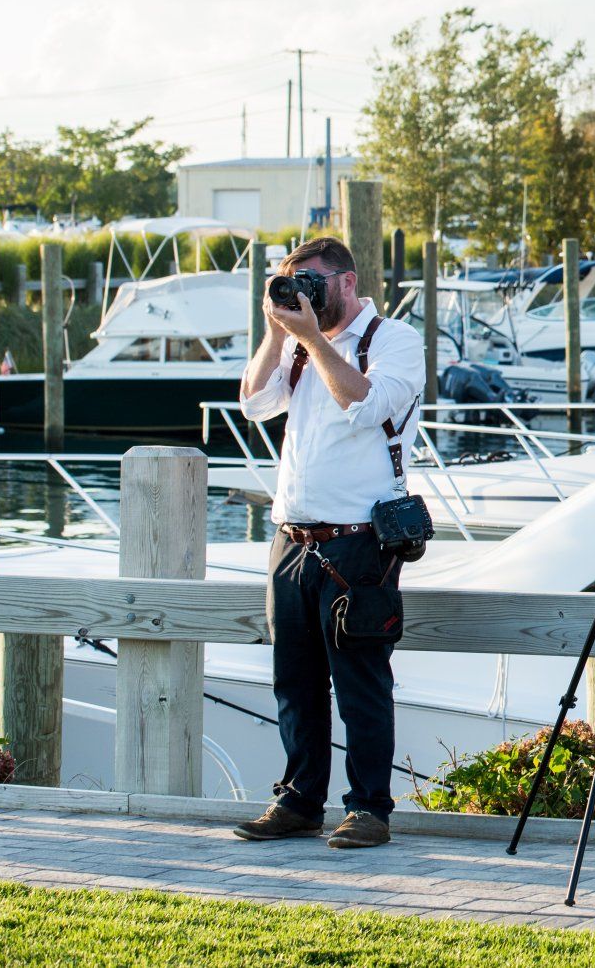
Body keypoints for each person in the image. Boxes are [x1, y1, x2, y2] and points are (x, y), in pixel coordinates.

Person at [230, 236, 424, 849]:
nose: (304, 295)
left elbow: (363, 407)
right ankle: (299, 801)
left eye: (311, 282)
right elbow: (254, 403)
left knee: (361, 683)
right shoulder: (294, 343)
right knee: (295, 682)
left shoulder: (392, 340)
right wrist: (275, 332)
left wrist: (312, 339)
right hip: (292, 540)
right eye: (294, 284)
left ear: (346, 281)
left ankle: (369, 809)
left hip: (360, 544)